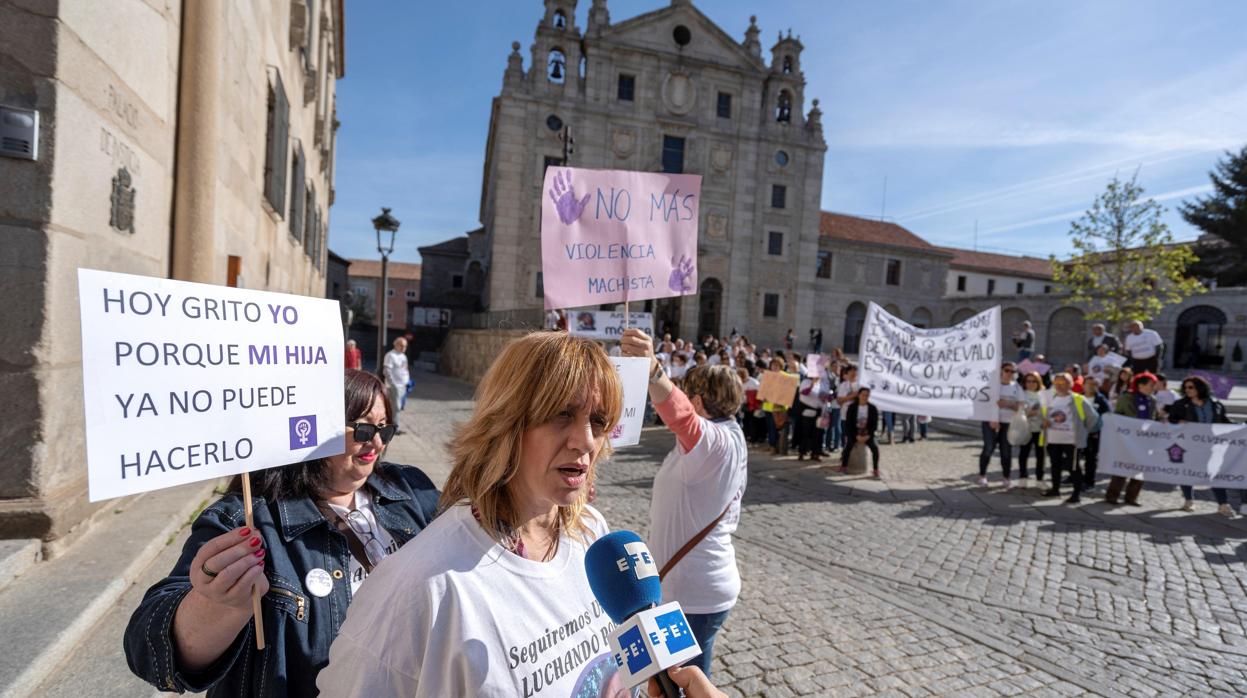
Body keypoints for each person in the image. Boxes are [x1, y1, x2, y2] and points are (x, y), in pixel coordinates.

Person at [319, 332, 629, 696]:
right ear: (508, 422)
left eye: (598, 420)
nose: (586, 441)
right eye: (562, 414)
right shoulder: (420, 587)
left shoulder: (592, 533)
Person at [124, 370, 440, 696]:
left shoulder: (408, 488)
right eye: (361, 428)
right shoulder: (246, 520)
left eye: (384, 429)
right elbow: (149, 652)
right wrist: (217, 603)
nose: (375, 442)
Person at [621, 328, 748, 679]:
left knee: (683, 681)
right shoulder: (723, 439)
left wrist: (652, 369)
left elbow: (681, 418)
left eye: (689, 393)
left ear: (698, 400)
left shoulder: (716, 442)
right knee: (675, 679)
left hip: (694, 594)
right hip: (692, 588)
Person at [1168, 376, 1240, 516]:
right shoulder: (1181, 404)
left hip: (1212, 445)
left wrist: (1240, 427)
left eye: (1191, 387)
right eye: (1185, 387)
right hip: (1189, 444)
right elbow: (1172, 419)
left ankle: (1223, 504)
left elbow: (1223, 421)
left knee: (1215, 474)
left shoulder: (1215, 404)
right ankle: (1189, 500)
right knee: (1187, 472)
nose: (1187, 390)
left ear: (1200, 388)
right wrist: (1179, 422)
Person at [1040, 373, 1099, 503]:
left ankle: (1076, 494)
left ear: (1071, 384)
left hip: (1072, 440)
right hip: (1053, 439)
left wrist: (1083, 431)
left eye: (1064, 383)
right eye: (1057, 383)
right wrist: (1043, 423)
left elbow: (1093, 418)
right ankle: (1055, 489)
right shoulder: (1050, 399)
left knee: (1073, 467)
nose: (1060, 386)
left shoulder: (1079, 399)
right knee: (1055, 465)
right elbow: (1043, 416)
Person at [1105, 372, 1159, 506]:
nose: (1154, 388)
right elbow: (1118, 416)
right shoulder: (1127, 397)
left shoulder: (1152, 400)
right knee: (1122, 467)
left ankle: (1131, 497)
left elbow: (1153, 418)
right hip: (1127, 439)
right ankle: (1112, 495)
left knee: (1140, 470)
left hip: (1145, 441)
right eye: (1151, 385)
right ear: (1141, 385)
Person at [978, 363, 1024, 489]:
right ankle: (982, 475)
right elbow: (982, 403)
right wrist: (992, 417)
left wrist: (1008, 404)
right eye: (1007, 370)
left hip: (1008, 423)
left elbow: (1021, 406)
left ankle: (1006, 477)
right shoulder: (992, 386)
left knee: (1006, 451)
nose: (1009, 373)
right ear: (1001, 371)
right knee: (988, 448)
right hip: (990, 421)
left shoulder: (1016, 387)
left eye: (1013, 371)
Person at [1079, 376, 1113, 493]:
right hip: (1078, 432)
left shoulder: (1101, 400)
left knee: (1090, 458)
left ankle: (1089, 482)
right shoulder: (1078, 397)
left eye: (1094, 384)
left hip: (1093, 434)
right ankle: (1074, 478)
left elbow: (1108, 416)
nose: (1091, 386)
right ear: (1083, 385)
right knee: (1074, 457)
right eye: (1088, 383)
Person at [840, 386, 880, 478]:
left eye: (867, 395)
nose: (864, 397)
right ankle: (844, 466)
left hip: (867, 433)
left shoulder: (872, 408)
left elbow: (874, 424)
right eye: (863, 395)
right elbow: (848, 423)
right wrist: (855, 435)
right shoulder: (852, 407)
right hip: (855, 432)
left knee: (875, 448)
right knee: (848, 446)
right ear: (858, 395)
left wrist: (868, 435)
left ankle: (875, 469)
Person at [795, 360, 830, 462]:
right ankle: (802, 452)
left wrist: (828, 397)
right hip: (808, 411)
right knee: (806, 432)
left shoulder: (823, 384)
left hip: (819, 411)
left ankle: (815, 453)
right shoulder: (806, 382)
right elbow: (804, 393)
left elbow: (826, 397)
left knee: (818, 433)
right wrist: (812, 385)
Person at [1016, 371, 1047, 487]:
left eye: (1034, 381)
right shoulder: (1021, 394)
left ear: (1038, 382)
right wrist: (1027, 413)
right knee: (1024, 453)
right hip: (1025, 428)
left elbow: (1049, 411)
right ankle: (1023, 477)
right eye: (1028, 381)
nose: (1031, 383)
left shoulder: (1044, 394)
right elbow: (1017, 411)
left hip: (1040, 428)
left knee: (1041, 455)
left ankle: (1040, 479)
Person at [834, 364, 861, 450]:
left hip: (859, 416)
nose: (853, 373)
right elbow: (839, 401)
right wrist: (852, 396)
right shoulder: (843, 385)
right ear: (847, 373)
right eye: (851, 371)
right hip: (845, 415)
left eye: (855, 371)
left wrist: (847, 398)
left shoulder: (861, 385)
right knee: (846, 436)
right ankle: (846, 453)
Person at [382, 337, 410, 413]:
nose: (404, 348)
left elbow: (405, 369)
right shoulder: (390, 355)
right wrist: (393, 384)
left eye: (405, 346)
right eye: (401, 345)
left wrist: (406, 381)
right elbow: (386, 371)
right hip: (393, 386)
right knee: (395, 408)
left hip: (402, 385)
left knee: (398, 407)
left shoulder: (404, 356)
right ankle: (394, 424)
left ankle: (393, 423)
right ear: (396, 345)